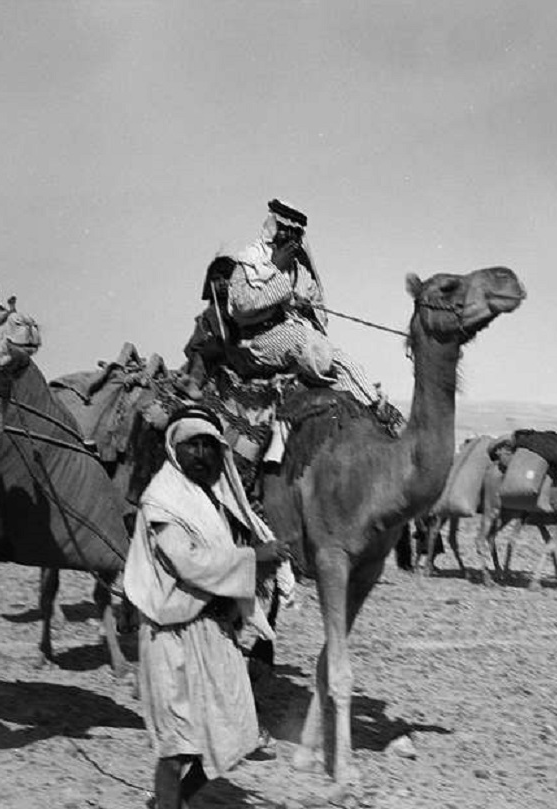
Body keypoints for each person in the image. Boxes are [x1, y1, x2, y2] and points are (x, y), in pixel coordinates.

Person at [123, 406, 288, 809]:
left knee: (234, 735)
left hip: (213, 632)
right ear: (174, 449)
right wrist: (254, 559)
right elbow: (189, 562)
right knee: (177, 743)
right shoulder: (163, 502)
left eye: (208, 445)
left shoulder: (207, 500)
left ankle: (171, 801)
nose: (200, 453)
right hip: (172, 636)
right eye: (191, 445)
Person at [224, 198, 379, 405]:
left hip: (304, 339)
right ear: (272, 228)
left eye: (295, 232)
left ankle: (374, 407)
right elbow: (242, 306)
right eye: (284, 229)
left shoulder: (303, 273)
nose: (290, 237)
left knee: (346, 363)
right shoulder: (248, 263)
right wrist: (276, 269)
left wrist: (308, 311)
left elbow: (320, 317)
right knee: (308, 345)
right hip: (259, 340)